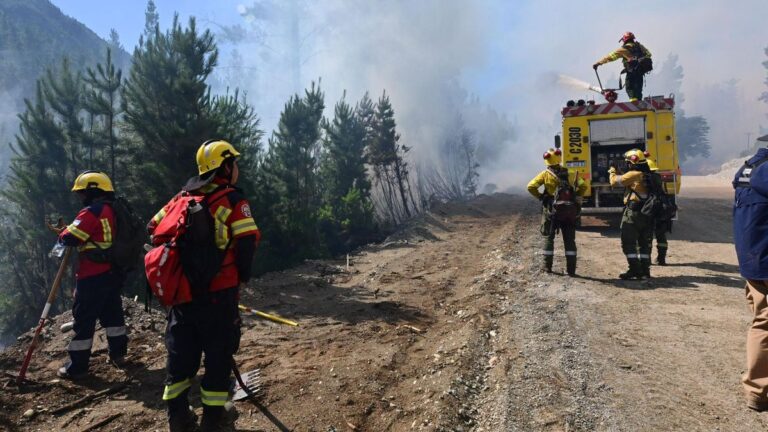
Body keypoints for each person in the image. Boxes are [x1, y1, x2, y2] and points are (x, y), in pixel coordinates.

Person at [149, 140, 260, 432]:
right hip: (218, 296)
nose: (236, 168)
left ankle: (178, 416)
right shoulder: (234, 200)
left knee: (181, 355)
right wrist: (242, 277)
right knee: (218, 354)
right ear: (225, 166)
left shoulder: (181, 198)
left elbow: (154, 228)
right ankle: (213, 418)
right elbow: (247, 240)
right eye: (233, 162)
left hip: (183, 296)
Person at [56, 171, 127, 378]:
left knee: (84, 320)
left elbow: (69, 237)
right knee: (113, 314)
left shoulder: (92, 212)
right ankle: (119, 353)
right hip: (113, 273)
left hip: (92, 275)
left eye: (82, 193)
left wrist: (64, 232)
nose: (80, 197)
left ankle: (77, 367)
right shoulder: (115, 210)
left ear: (92, 191)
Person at [733, 136, 768, 411]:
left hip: (753, 257)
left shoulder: (750, 167)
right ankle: (758, 389)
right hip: (764, 258)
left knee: (762, 319)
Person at [527, 148, 587, 275]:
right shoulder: (571, 173)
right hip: (569, 213)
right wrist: (576, 199)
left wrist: (542, 197)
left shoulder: (545, 174)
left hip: (551, 211)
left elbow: (530, 186)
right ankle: (571, 271)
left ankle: (547, 267)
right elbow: (583, 186)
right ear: (559, 159)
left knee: (549, 238)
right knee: (570, 241)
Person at [609, 149, 657, 279]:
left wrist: (612, 170)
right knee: (644, 243)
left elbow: (614, 182)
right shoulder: (649, 174)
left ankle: (635, 270)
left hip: (634, 213)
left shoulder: (634, 174)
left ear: (632, 163)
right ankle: (645, 271)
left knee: (628, 242)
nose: (627, 165)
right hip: (648, 213)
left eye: (628, 163)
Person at [593, 31, 653, 102]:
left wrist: (598, 63)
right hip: (640, 71)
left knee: (629, 87)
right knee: (638, 88)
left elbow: (610, 57)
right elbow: (649, 54)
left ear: (624, 40)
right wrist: (639, 59)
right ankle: (639, 102)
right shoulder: (640, 46)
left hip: (631, 72)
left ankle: (633, 101)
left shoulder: (623, 49)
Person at [647, 157, 672, 265]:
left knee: (646, 235)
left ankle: (646, 259)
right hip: (662, 208)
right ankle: (661, 259)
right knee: (661, 235)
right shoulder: (658, 177)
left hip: (650, 209)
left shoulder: (645, 178)